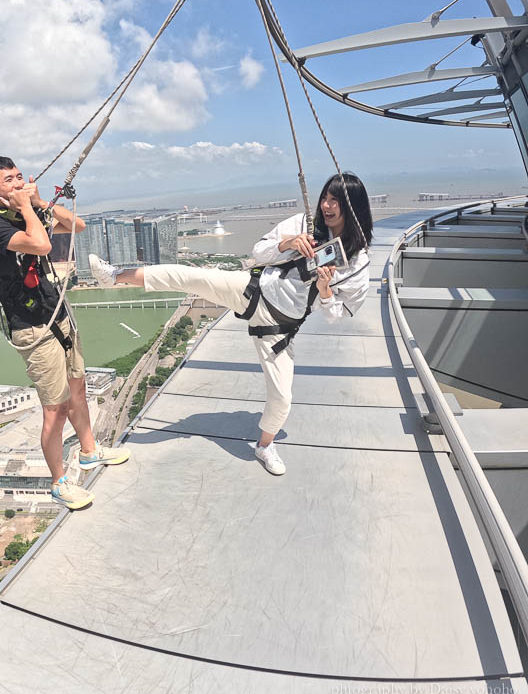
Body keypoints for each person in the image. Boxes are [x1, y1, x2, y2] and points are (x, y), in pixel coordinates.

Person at [90, 172, 373, 476]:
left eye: (336, 201)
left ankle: (264, 445)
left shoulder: (358, 263)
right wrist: (287, 243)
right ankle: (115, 275)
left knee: (282, 397)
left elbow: (336, 315)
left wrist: (326, 289)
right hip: (253, 291)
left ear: (352, 206)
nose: (328, 206)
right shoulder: (305, 224)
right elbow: (258, 251)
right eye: (326, 198)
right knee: (190, 277)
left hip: (279, 328)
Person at [0, 154, 130, 510]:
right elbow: (43, 245)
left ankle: (89, 451)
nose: (17, 183)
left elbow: (78, 226)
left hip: (56, 313)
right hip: (32, 327)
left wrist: (41, 203)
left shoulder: (25, 213)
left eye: (18, 177)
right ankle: (59, 483)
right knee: (55, 408)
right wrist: (28, 208)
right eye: (8, 181)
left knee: (78, 386)